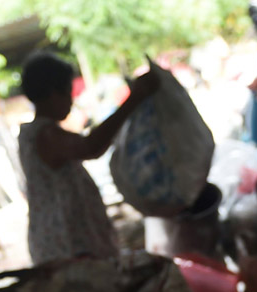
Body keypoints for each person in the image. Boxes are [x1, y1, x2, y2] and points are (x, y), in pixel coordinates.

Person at [18, 52, 159, 265]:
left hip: (64, 243)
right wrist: (134, 99)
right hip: (66, 245)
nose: (71, 100)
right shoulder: (45, 135)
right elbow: (90, 147)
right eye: (68, 92)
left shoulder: (37, 134)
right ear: (53, 93)